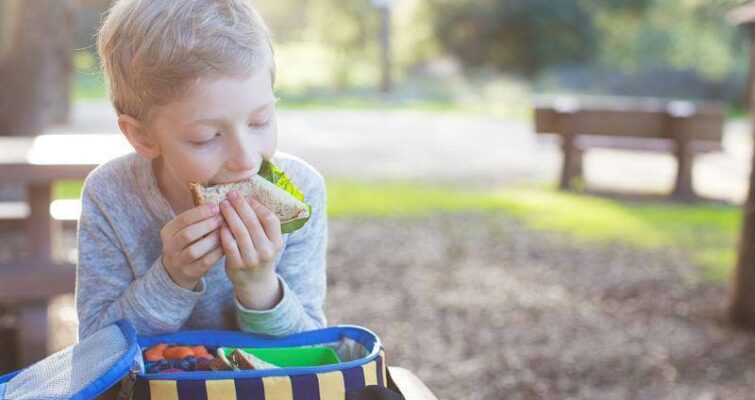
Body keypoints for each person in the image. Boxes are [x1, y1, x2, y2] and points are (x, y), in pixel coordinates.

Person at [76, 0, 327, 340]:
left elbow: (310, 352)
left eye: (260, 121)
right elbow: (96, 350)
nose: (246, 159)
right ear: (142, 136)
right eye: (206, 137)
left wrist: (260, 289)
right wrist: (172, 277)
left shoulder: (302, 192)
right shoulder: (110, 194)